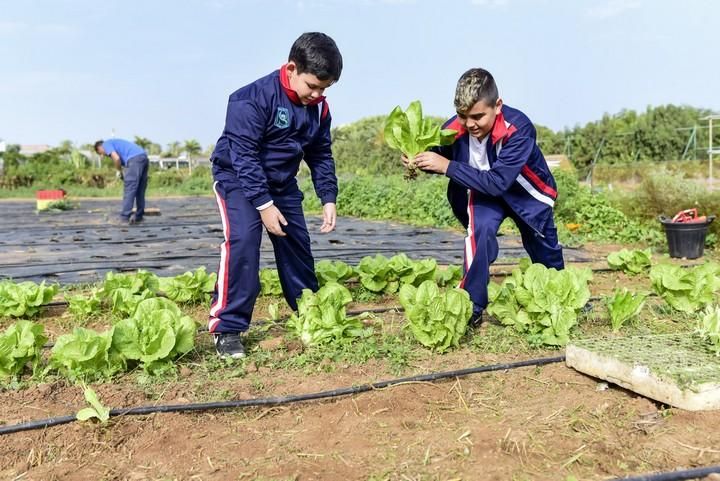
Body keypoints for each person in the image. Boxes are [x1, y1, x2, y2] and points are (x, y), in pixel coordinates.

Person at [208, 32, 343, 358]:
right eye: (313, 86)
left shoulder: (319, 109)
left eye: (325, 89)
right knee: (243, 241)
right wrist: (264, 205)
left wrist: (328, 196)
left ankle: (310, 315)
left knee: (297, 245)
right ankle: (227, 327)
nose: (318, 94)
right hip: (238, 180)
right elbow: (244, 156)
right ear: (292, 68)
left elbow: (320, 153)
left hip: (281, 184)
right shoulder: (251, 99)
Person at [408, 68, 565, 324]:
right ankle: (472, 306)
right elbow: (437, 154)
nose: (470, 124)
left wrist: (446, 166)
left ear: (498, 106)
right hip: (484, 192)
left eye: (478, 116)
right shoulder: (454, 128)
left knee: (544, 246)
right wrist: (417, 158)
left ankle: (560, 297)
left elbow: (499, 181)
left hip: (524, 193)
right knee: (479, 233)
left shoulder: (520, 129)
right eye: (463, 116)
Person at [94, 138, 149, 225]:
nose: (103, 155)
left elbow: (116, 158)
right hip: (143, 157)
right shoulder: (115, 143)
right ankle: (139, 216)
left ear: (99, 148)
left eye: (101, 153)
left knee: (129, 189)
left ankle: (124, 217)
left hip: (134, 159)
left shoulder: (106, 144)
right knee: (140, 189)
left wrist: (118, 171)